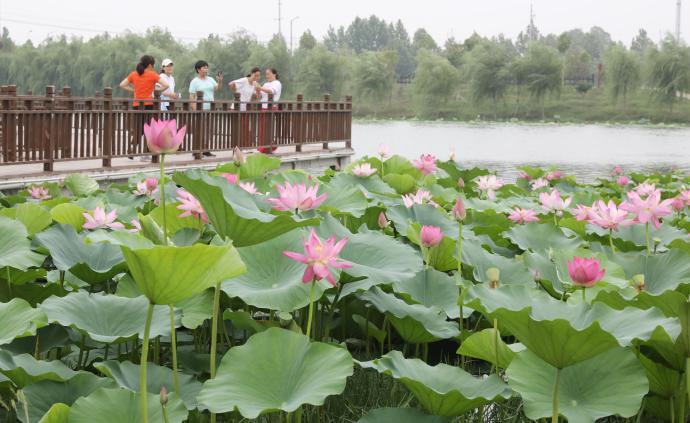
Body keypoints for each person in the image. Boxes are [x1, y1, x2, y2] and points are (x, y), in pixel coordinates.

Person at [119, 55, 169, 159]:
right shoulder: (153, 75)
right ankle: (146, 153)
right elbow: (166, 85)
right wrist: (156, 93)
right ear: (150, 65)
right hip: (149, 106)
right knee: (149, 129)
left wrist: (134, 91)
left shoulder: (134, 74)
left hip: (137, 105)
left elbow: (122, 85)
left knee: (138, 129)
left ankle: (131, 150)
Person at [189, 60, 223, 157]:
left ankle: (206, 150)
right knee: (199, 130)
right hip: (200, 109)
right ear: (198, 70)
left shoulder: (211, 79)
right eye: (204, 67)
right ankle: (196, 150)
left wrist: (220, 81)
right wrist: (195, 109)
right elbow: (191, 96)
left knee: (208, 130)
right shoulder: (194, 81)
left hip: (210, 108)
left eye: (207, 67)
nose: (206, 69)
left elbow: (218, 89)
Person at [256, 68, 282, 153]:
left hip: (270, 108)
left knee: (267, 128)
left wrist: (260, 87)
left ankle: (268, 146)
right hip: (263, 107)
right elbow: (260, 96)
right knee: (262, 129)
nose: (267, 76)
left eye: (268, 74)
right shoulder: (266, 84)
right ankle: (263, 147)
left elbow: (271, 92)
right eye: (266, 74)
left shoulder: (277, 83)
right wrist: (258, 91)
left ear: (274, 74)